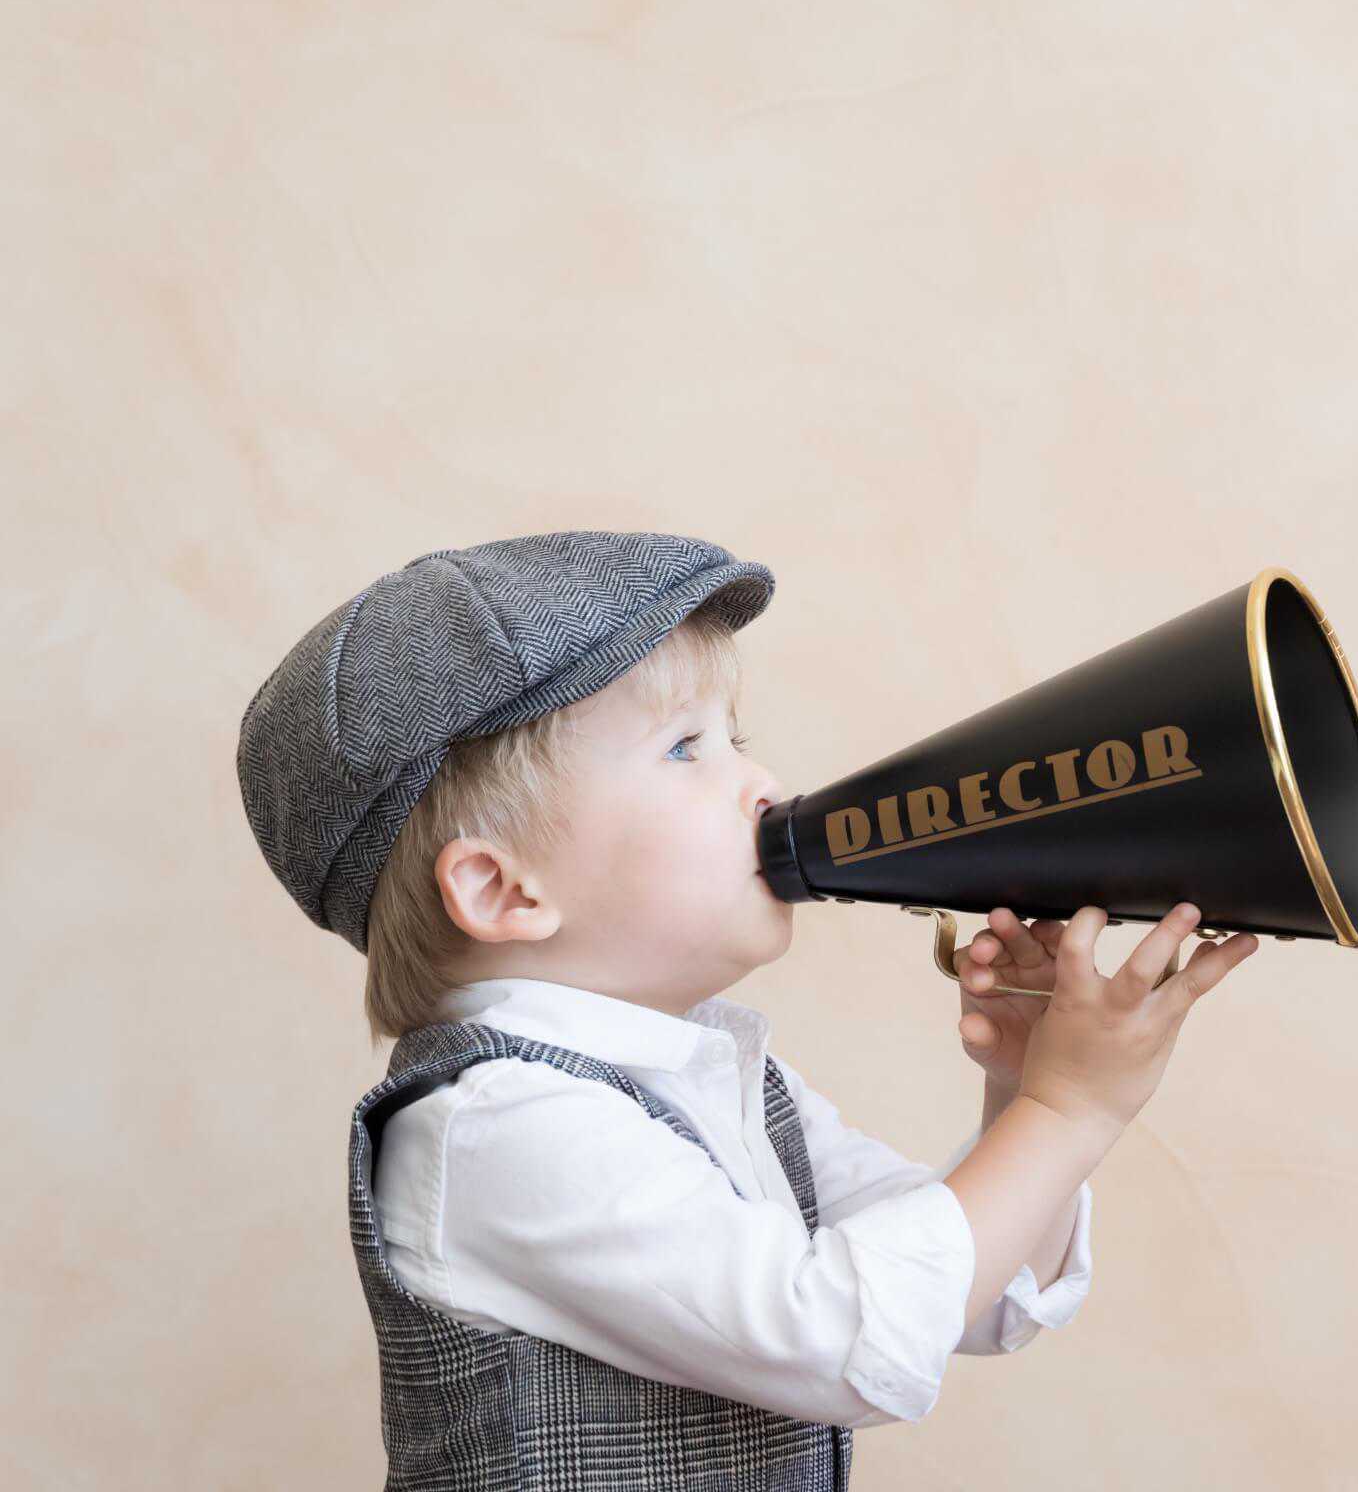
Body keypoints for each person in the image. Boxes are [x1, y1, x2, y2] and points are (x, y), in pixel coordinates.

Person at [234, 529, 1261, 1490]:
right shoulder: (495, 1126)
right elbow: (848, 1338)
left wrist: (1021, 1092)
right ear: (504, 890)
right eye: (686, 748)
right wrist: (1069, 1109)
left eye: (737, 738)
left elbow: (969, 1297)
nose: (763, 783)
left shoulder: (724, 1077)